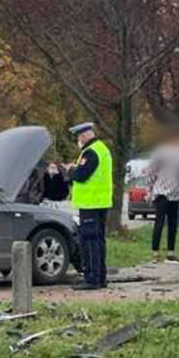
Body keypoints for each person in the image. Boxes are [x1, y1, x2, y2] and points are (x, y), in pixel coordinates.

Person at [62, 121, 114, 291]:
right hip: (99, 202)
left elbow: (81, 175)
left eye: (79, 136)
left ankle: (92, 279)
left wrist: (70, 170)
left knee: (90, 241)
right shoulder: (101, 149)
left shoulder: (91, 152)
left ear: (85, 135)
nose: (78, 139)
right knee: (98, 241)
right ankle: (100, 277)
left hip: (91, 203)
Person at [147, 145, 179, 262]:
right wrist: (151, 190)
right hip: (161, 193)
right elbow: (150, 174)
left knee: (173, 225)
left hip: (174, 195)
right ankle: (155, 252)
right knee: (159, 223)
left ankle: (171, 252)